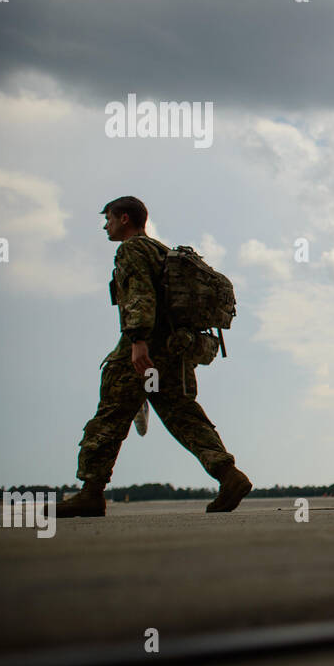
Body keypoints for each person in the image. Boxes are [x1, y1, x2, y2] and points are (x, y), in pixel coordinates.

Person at [56, 197, 251, 517]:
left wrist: (138, 341)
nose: (105, 226)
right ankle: (229, 475)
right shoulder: (161, 251)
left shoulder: (132, 250)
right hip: (175, 350)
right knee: (184, 416)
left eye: (108, 219)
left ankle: (91, 493)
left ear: (124, 218)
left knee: (108, 419)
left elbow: (140, 295)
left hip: (146, 349)